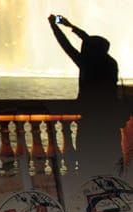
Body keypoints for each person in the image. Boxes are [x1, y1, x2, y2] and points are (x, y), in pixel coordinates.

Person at [49, 15, 122, 177]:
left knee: (87, 160)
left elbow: (65, 45)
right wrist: (71, 26)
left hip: (90, 120)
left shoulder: (87, 63)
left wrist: (54, 26)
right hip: (110, 121)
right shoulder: (110, 62)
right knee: (111, 160)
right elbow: (92, 42)